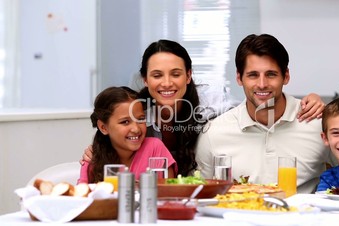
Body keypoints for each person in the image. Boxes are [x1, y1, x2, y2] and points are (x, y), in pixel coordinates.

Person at [81, 39, 326, 177]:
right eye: (157, 75)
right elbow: (114, 128)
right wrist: (100, 147)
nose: (167, 83)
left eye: (175, 74)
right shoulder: (137, 112)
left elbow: (253, 103)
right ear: (145, 79)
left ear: (188, 76)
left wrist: (312, 100)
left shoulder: (212, 107)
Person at [195, 33, 339, 194]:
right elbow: (201, 195)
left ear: (286, 76)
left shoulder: (315, 122)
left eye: (271, 74)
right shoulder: (214, 133)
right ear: (239, 78)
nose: (262, 84)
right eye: (252, 75)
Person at [78, 86, 177, 183]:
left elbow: (169, 193)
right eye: (125, 122)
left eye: (141, 119)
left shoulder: (155, 148)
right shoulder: (92, 158)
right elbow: (81, 195)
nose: (136, 129)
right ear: (103, 127)